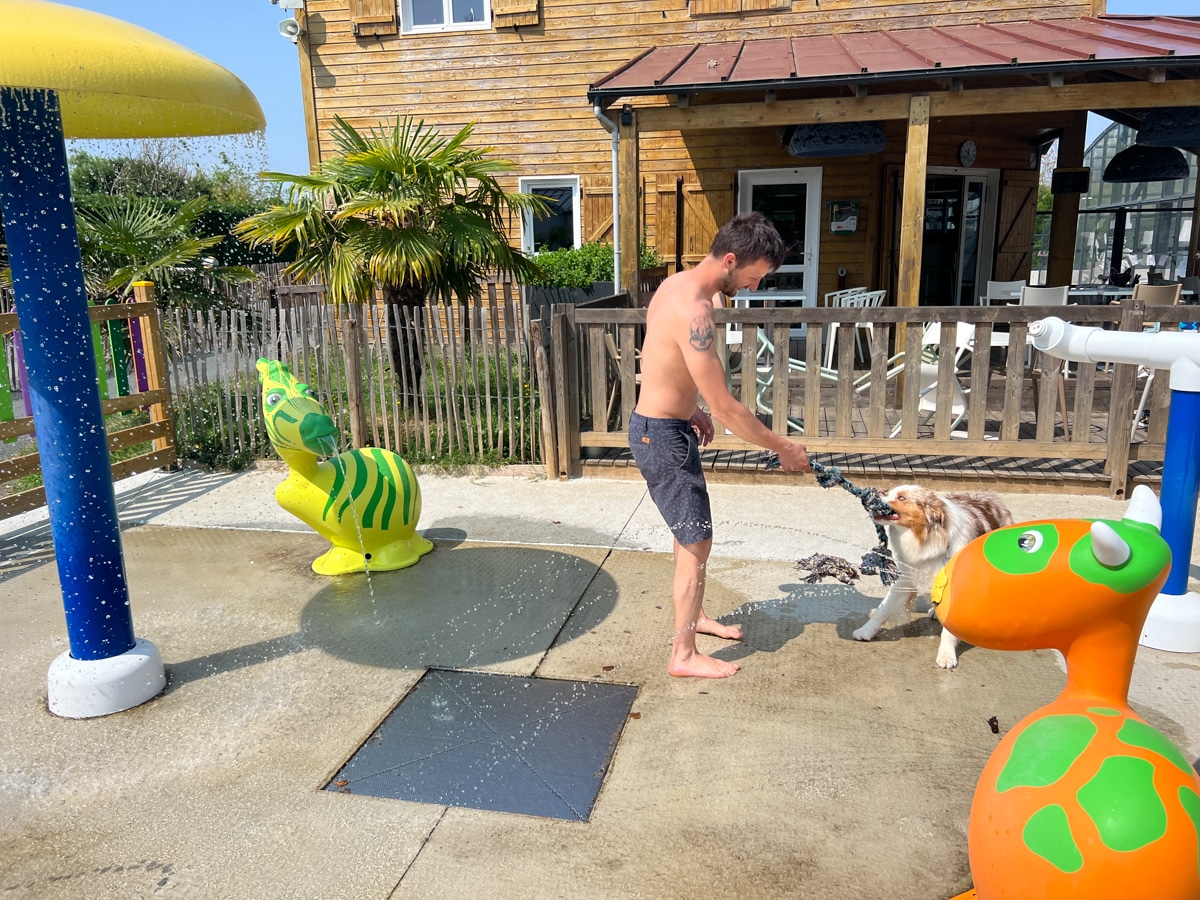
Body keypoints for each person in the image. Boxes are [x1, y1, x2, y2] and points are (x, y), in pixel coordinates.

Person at [629, 212, 811, 678]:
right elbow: (727, 409)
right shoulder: (696, 311)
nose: (753, 287)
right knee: (697, 541)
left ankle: (696, 618)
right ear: (730, 260)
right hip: (662, 437)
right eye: (753, 277)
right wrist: (782, 447)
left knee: (687, 533)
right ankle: (683, 655)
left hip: (662, 425)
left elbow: (660, 356)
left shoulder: (675, 285)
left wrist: (687, 406)